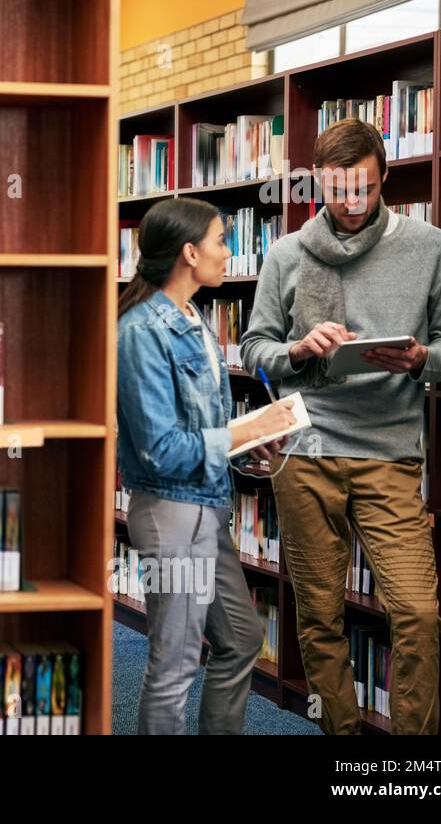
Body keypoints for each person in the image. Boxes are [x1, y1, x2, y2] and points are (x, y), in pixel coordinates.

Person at [240, 118, 441, 734]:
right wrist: (296, 350)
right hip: (306, 450)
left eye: (362, 189)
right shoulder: (287, 253)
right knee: (319, 615)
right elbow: (253, 346)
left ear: (385, 177)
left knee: (418, 614)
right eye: (336, 190)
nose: (348, 204)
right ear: (318, 181)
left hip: (390, 453)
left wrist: (423, 359)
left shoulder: (431, 247)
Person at [117, 197, 296, 734]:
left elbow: (202, 431)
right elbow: (160, 448)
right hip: (171, 515)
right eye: (221, 241)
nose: (229, 252)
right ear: (190, 253)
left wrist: (246, 451)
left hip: (209, 508)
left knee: (240, 639)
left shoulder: (194, 318)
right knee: (172, 665)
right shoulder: (141, 330)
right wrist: (243, 431)